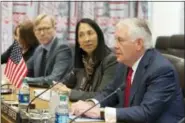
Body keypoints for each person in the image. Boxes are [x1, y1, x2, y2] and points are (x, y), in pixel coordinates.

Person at [70, 18, 185, 123]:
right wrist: (91, 104)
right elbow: (110, 92)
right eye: (115, 40)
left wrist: (101, 112)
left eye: (120, 40)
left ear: (138, 44)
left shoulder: (161, 70)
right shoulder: (125, 63)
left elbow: (146, 112)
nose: (115, 46)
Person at [52, 18, 118, 101]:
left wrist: (69, 92)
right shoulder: (82, 59)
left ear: (99, 35)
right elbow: (65, 83)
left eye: (90, 33)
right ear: (78, 41)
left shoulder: (111, 60)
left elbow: (102, 95)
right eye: (81, 35)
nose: (87, 39)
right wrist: (59, 87)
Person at [25, 14, 72, 85]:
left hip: (57, 93)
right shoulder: (39, 49)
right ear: (34, 32)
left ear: (54, 28)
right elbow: (25, 69)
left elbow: (54, 79)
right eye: (38, 29)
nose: (42, 33)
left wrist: (27, 80)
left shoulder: (63, 48)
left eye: (46, 28)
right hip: (39, 92)